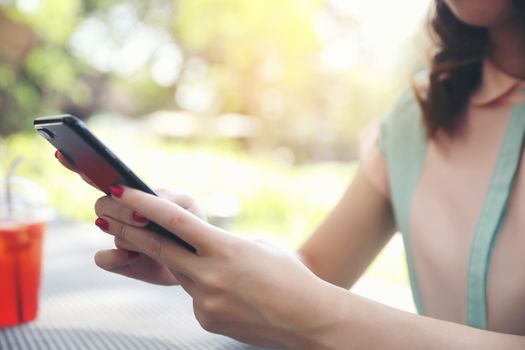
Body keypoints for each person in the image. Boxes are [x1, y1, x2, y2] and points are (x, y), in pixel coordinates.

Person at [55, 0, 525, 348]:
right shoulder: (417, 113)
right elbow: (317, 271)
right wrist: (207, 252)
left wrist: (320, 317)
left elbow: (316, 302)